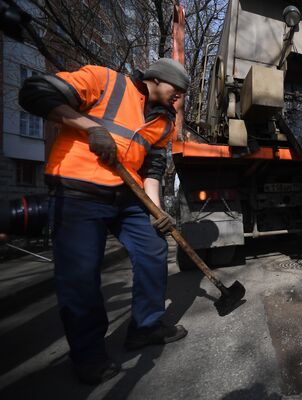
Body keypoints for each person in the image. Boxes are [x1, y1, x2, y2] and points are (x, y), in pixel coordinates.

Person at [19, 58, 190, 384]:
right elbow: (35, 92)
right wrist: (90, 128)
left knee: (154, 249)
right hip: (78, 192)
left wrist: (158, 212)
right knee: (80, 276)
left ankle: (145, 326)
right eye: (176, 90)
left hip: (127, 196)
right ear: (157, 78)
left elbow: (151, 171)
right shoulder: (105, 82)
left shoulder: (164, 123)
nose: (178, 98)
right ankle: (88, 355)